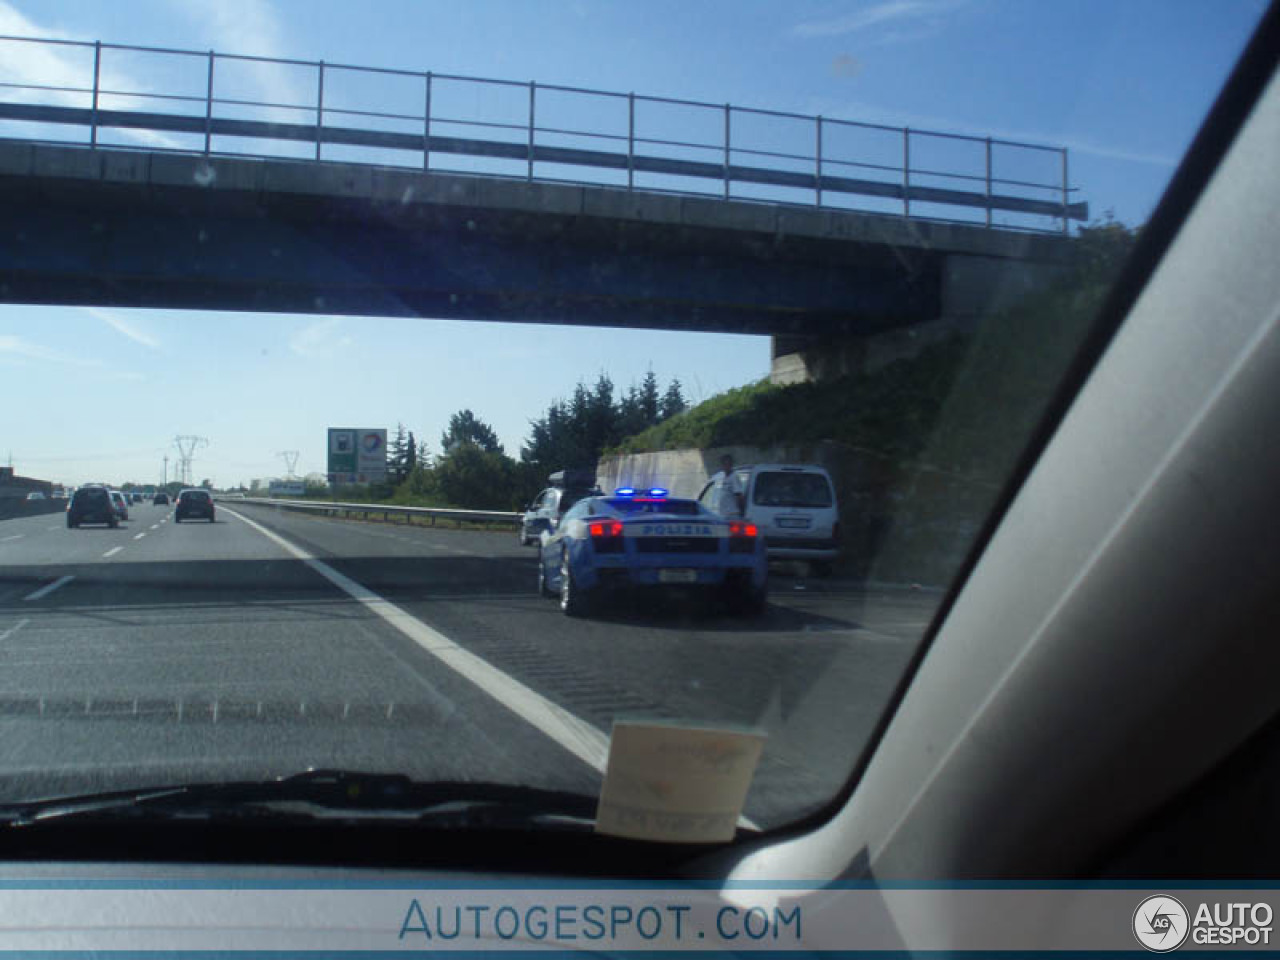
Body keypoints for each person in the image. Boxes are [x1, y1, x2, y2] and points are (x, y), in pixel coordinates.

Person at [709, 453, 745, 518]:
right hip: (724, 515)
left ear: (731, 464)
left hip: (732, 514)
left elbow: (739, 496)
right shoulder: (724, 477)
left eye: (728, 464)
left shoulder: (734, 477)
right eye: (724, 464)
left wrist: (741, 513)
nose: (726, 466)